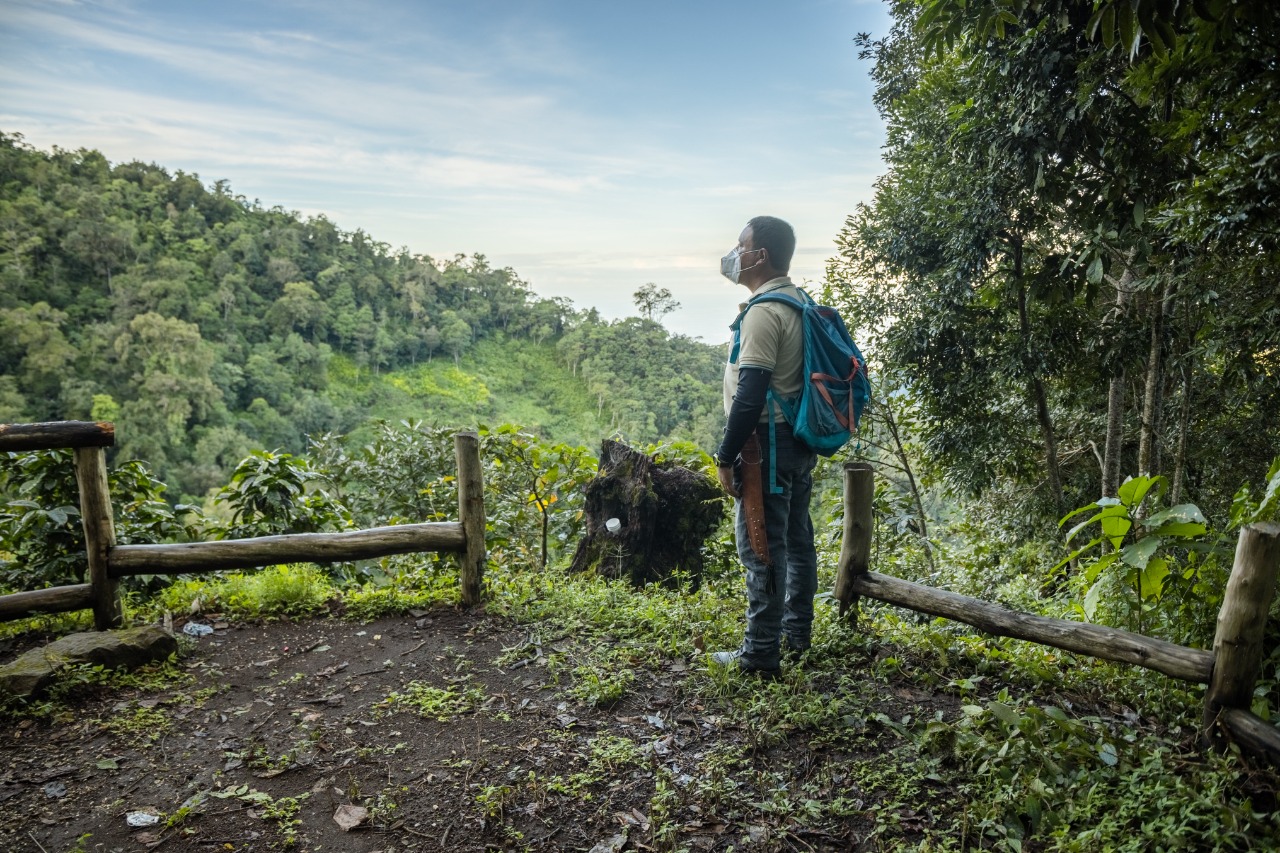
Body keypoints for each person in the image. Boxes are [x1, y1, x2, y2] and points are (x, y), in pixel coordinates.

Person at [710, 216, 818, 677]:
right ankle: (796, 635)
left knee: (762, 548)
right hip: (797, 440)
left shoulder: (762, 313)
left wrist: (725, 456)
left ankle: (759, 655)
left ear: (761, 256)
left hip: (766, 447)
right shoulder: (799, 302)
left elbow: (750, 395)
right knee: (796, 542)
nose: (735, 254)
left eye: (741, 246)